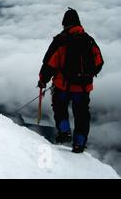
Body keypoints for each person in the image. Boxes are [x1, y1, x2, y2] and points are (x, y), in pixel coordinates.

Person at [38, 8, 104, 153]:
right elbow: (99, 63)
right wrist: (87, 75)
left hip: (63, 86)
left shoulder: (60, 41)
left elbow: (49, 64)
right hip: (83, 88)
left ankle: (64, 131)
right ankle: (79, 143)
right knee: (82, 116)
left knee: (59, 108)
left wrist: (43, 80)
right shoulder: (89, 40)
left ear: (64, 23)